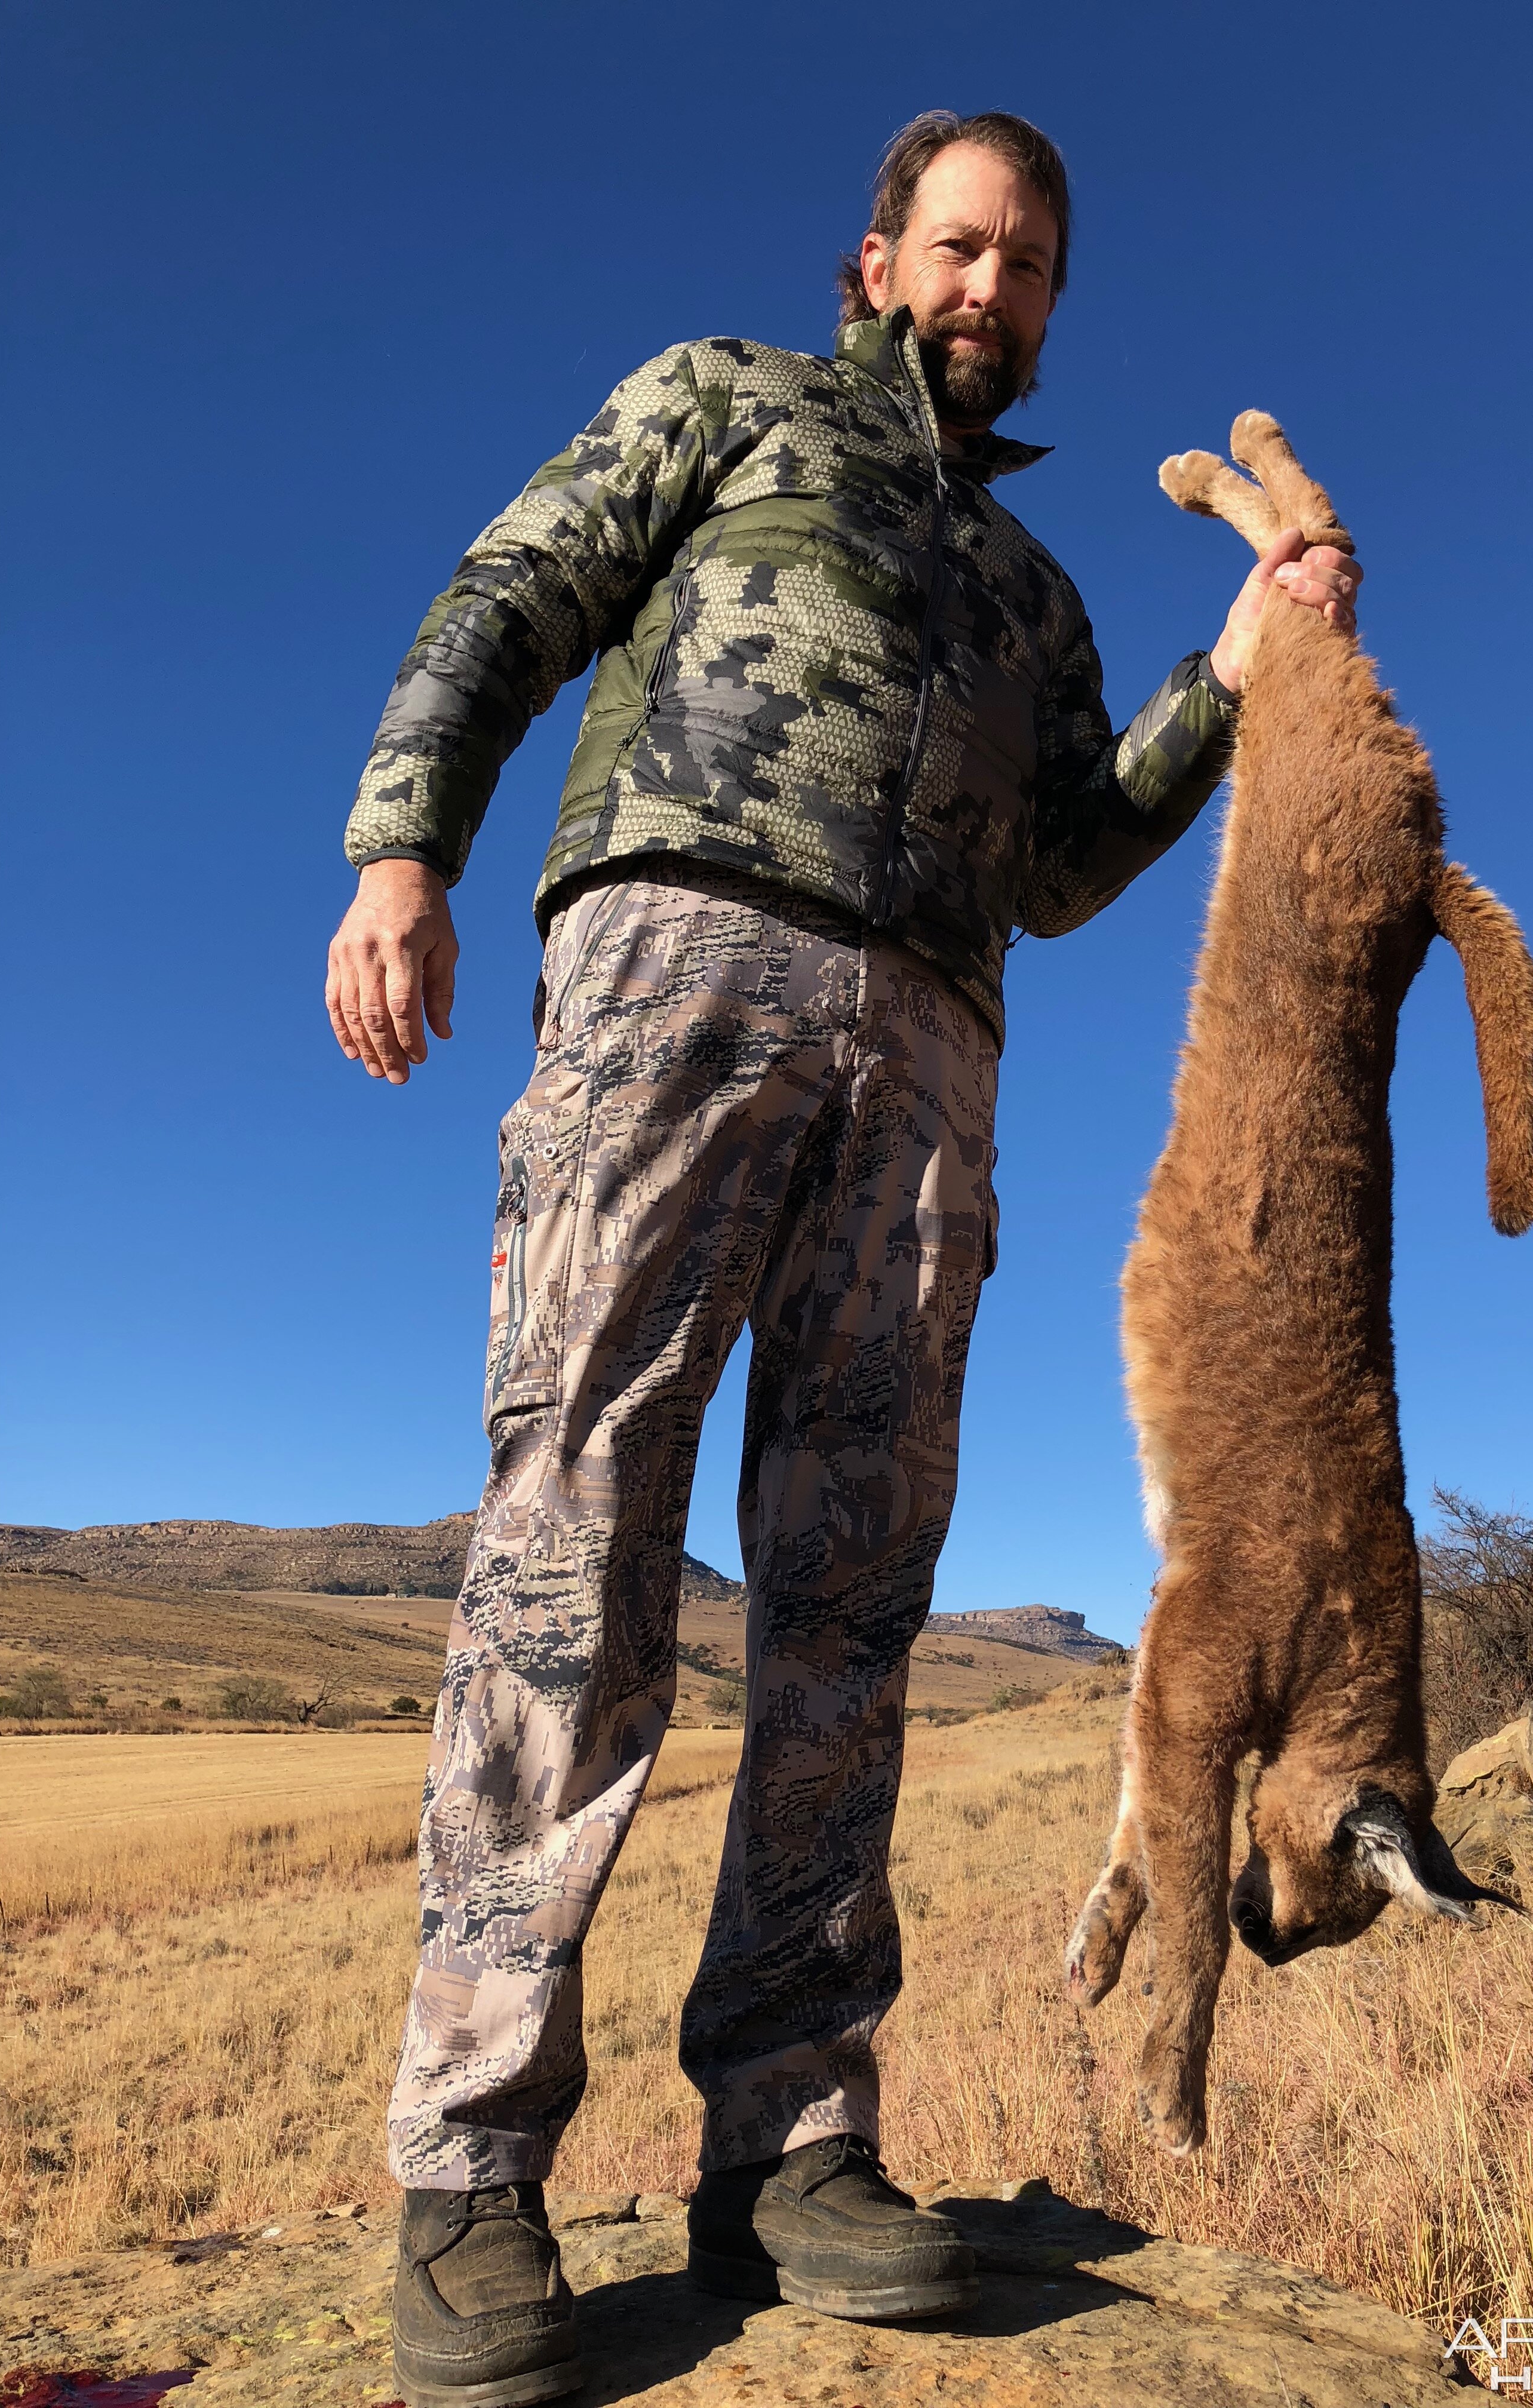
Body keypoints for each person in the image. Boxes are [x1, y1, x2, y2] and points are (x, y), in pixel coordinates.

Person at [327, 108, 1359, 2407]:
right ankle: (476, 2163)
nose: (991, 287)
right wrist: (406, 848)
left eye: (1031, 263)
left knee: (854, 1609)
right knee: (572, 1550)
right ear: (879, 258)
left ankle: (793, 2136)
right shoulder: (728, 401)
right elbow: (515, 590)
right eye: (961, 245)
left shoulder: (1038, 598)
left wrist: (1240, 664)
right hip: (671, 980)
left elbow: (1078, 859)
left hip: (928, 1068)